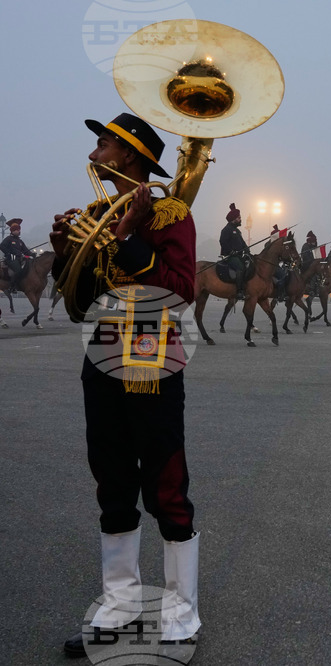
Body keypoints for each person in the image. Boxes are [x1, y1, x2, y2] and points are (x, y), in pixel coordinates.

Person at [49, 112, 200, 657]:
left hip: (152, 361)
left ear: (129, 154)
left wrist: (130, 235)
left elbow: (180, 290)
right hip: (102, 355)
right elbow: (77, 300)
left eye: (104, 143)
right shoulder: (94, 213)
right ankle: (120, 605)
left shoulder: (169, 211)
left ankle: (181, 610)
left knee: (166, 485)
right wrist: (65, 254)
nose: (96, 151)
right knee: (111, 481)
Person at [219, 202, 250, 299]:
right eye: (239, 218)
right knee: (240, 268)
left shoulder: (237, 231)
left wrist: (247, 249)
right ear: (233, 219)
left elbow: (242, 242)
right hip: (230, 257)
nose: (240, 219)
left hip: (239, 256)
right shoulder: (226, 229)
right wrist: (230, 251)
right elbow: (223, 242)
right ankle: (239, 292)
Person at [0, 218, 33, 291]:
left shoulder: (20, 241)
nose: (18, 231)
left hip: (19, 258)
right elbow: (2, 246)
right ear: (12, 231)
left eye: (19, 230)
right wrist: (8, 253)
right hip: (11, 258)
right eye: (17, 230)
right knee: (18, 271)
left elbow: (26, 251)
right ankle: (12, 287)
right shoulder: (8, 239)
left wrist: (32, 254)